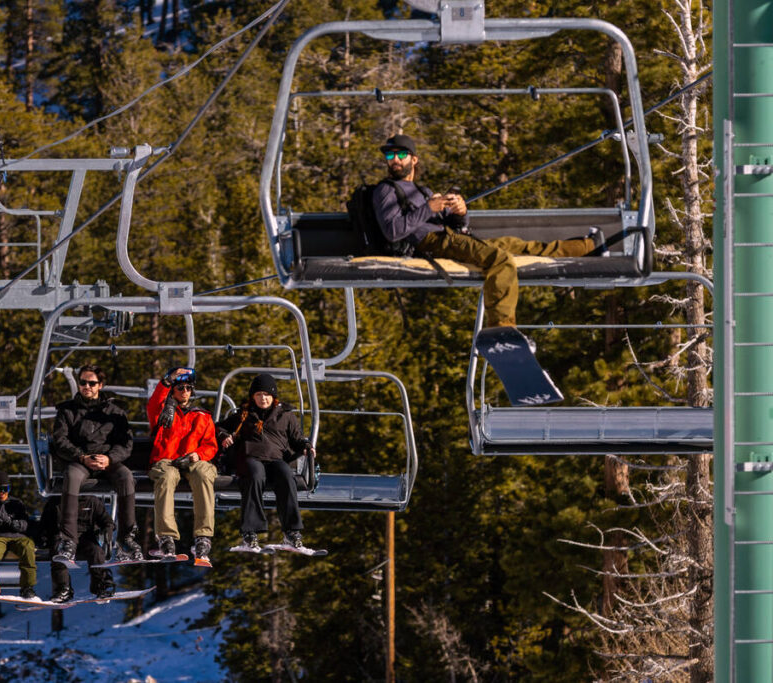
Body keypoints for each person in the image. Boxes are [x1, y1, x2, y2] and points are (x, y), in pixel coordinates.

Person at [372, 133, 607, 329]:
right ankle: (502, 327)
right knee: (501, 260)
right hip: (430, 243)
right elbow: (393, 231)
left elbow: (457, 227)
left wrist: (460, 212)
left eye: (401, 155)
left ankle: (588, 247)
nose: (395, 160)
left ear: (414, 160)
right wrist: (428, 208)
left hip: (448, 238)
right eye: (390, 155)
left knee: (518, 246)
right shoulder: (386, 190)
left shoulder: (422, 191)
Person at [52, 364, 141, 565]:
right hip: (81, 461)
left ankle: (126, 538)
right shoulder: (67, 411)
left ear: (100, 385)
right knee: (72, 477)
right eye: (82, 382)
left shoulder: (114, 412)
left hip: (107, 461)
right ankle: (69, 541)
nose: (86, 387)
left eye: (92, 383)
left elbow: (126, 443)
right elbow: (60, 440)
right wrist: (82, 457)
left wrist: (110, 458)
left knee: (126, 477)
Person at [217, 373, 315, 550]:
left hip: (275, 459)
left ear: (273, 396)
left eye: (266, 395)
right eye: (258, 394)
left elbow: (297, 438)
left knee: (286, 475)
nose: (263, 398)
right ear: (253, 397)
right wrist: (224, 436)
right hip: (251, 458)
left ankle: (291, 532)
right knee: (255, 475)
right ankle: (250, 533)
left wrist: (306, 445)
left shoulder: (285, 415)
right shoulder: (244, 415)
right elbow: (219, 426)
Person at [147, 367, 218, 561]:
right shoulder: (163, 411)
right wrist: (168, 379)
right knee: (167, 476)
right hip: (167, 459)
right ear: (173, 390)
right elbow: (154, 401)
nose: (185, 391)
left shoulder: (202, 416)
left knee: (204, 474)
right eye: (180, 388)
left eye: (188, 388)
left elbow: (211, 445)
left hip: (192, 459)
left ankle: (203, 536)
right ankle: (166, 536)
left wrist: (197, 455)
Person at [37, 495, 116, 602]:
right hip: (64, 537)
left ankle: (99, 585)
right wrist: (43, 537)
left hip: (84, 536)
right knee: (59, 552)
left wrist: (108, 529)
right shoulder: (57, 502)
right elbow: (45, 523)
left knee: (96, 551)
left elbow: (106, 520)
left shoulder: (91, 501)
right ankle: (62, 588)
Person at [0, 470, 37, 605]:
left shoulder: (17, 504)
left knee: (28, 549)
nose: (2, 493)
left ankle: (27, 587)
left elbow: (25, 523)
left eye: (6, 489)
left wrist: (13, 523)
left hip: (17, 537)